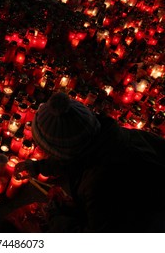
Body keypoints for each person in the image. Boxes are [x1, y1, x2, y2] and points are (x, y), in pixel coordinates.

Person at [23, 91, 165, 232]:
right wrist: (38, 167)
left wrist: (55, 218)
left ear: (61, 151)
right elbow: (76, 156)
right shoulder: (115, 136)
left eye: (47, 150)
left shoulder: (101, 185)